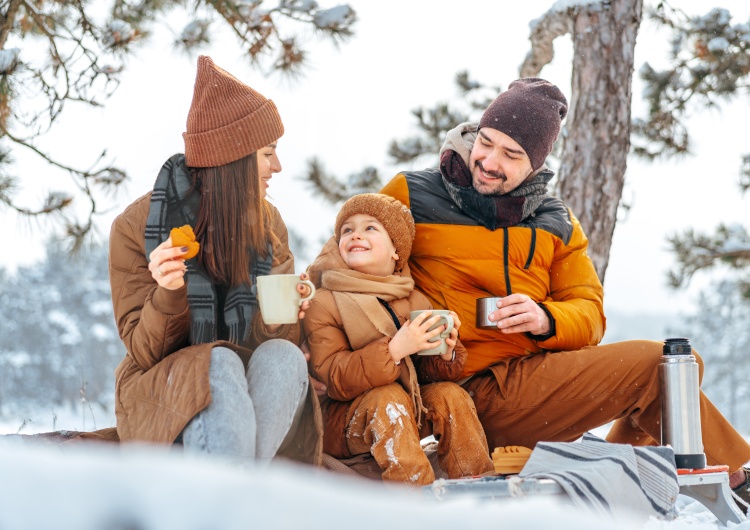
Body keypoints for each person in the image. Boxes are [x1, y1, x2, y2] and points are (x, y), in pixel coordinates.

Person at [379, 78, 750, 506]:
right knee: (659, 370)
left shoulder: (555, 221)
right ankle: (736, 481)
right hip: (456, 389)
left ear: (535, 164)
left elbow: (590, 313)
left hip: (531, 384)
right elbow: (346, 254)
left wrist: (545, 318)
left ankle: (625, 465)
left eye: (511, 154)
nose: (489, 161)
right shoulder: (412, 194)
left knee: (677, 368)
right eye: (485, 142)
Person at [108, 55, 322, 468]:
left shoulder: (268, 223)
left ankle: (234, 495)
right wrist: (169, 293)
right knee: (216, 359)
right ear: (234, 158)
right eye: (267, 153)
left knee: (284, 356)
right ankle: (238, 499)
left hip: (244, 388)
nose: (277, 167)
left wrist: (286, 313)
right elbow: (143, 350)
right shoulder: (137, 228)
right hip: (163, 386)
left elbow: (272, 341)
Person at [304, 193, 494, 485]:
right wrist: (393, 350)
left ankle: (477, 481)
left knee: (449, 396)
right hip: (342, 421)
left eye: (370, 228)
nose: (356, 234)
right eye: (347, 229)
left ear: (396, 250)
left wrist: (445, 355)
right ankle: (413, 495)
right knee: (387, 399)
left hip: (407, 406)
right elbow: (333, 376)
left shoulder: (412, 297)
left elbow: (422, 373)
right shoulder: (325, 301)